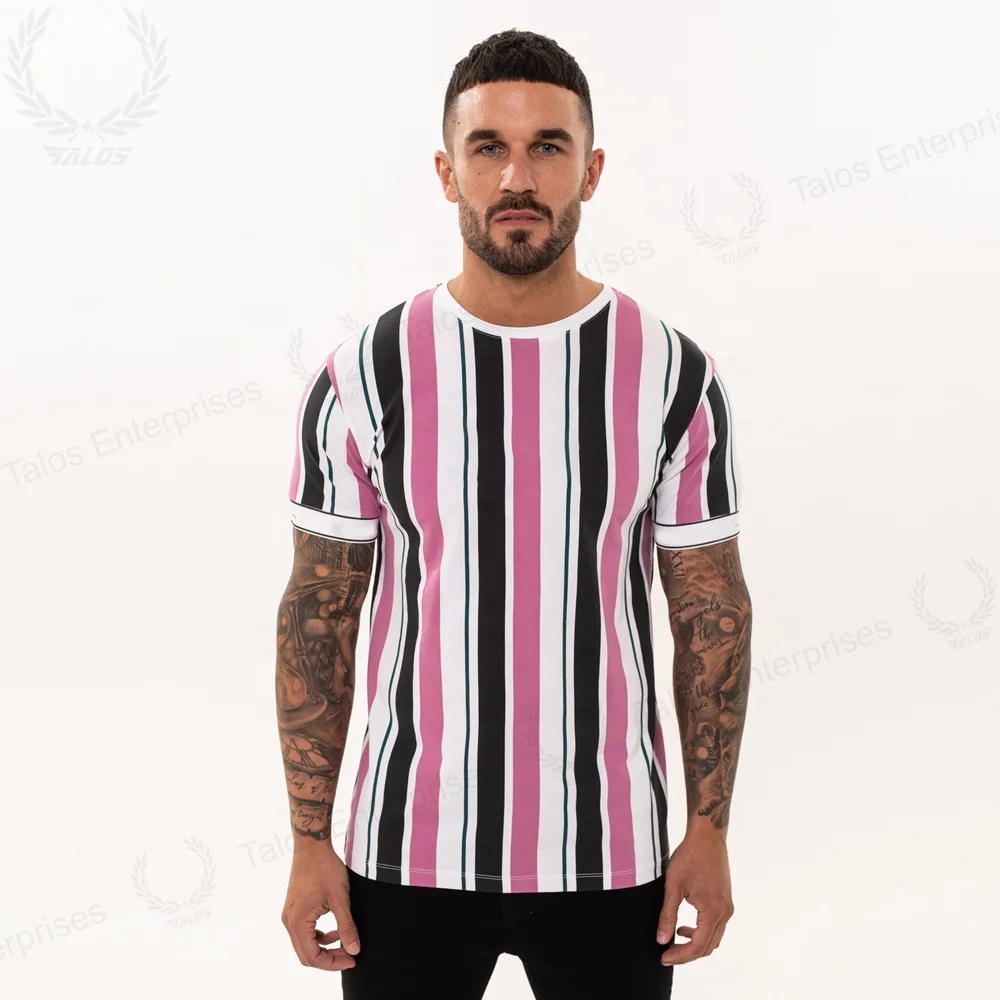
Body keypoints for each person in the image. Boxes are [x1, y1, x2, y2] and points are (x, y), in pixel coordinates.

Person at [276, 27, 752, 1000]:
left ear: (592, 170)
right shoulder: (365, 374)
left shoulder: (672, 376)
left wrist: (708, 833)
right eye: (488, 146)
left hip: (611, 856)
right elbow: (318, 612)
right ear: (446, 171)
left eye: (548, 146)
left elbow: (711, 610)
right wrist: (308, 841)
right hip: (403, 852)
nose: (517, 177)